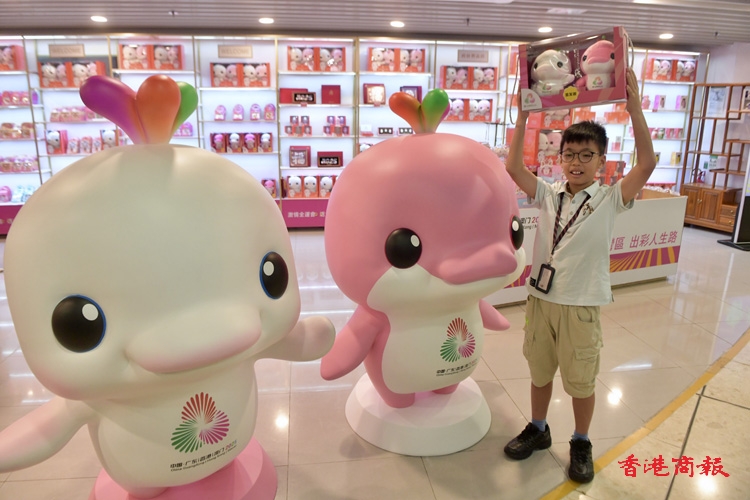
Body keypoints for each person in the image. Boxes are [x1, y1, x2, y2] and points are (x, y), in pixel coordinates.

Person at [503, 67, 656, 483]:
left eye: (587, 155)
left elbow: (646, 164)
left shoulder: (610, 198)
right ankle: (538, 429)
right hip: (541, 301)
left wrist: (635, 109)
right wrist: (522, 116)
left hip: (581, 306)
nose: (576, 162)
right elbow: (513, 168)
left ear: (601, 161)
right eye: (569, 154)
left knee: (581, 381)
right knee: (539, 372)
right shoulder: (548, 194)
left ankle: (581, 441)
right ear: (560, 159)